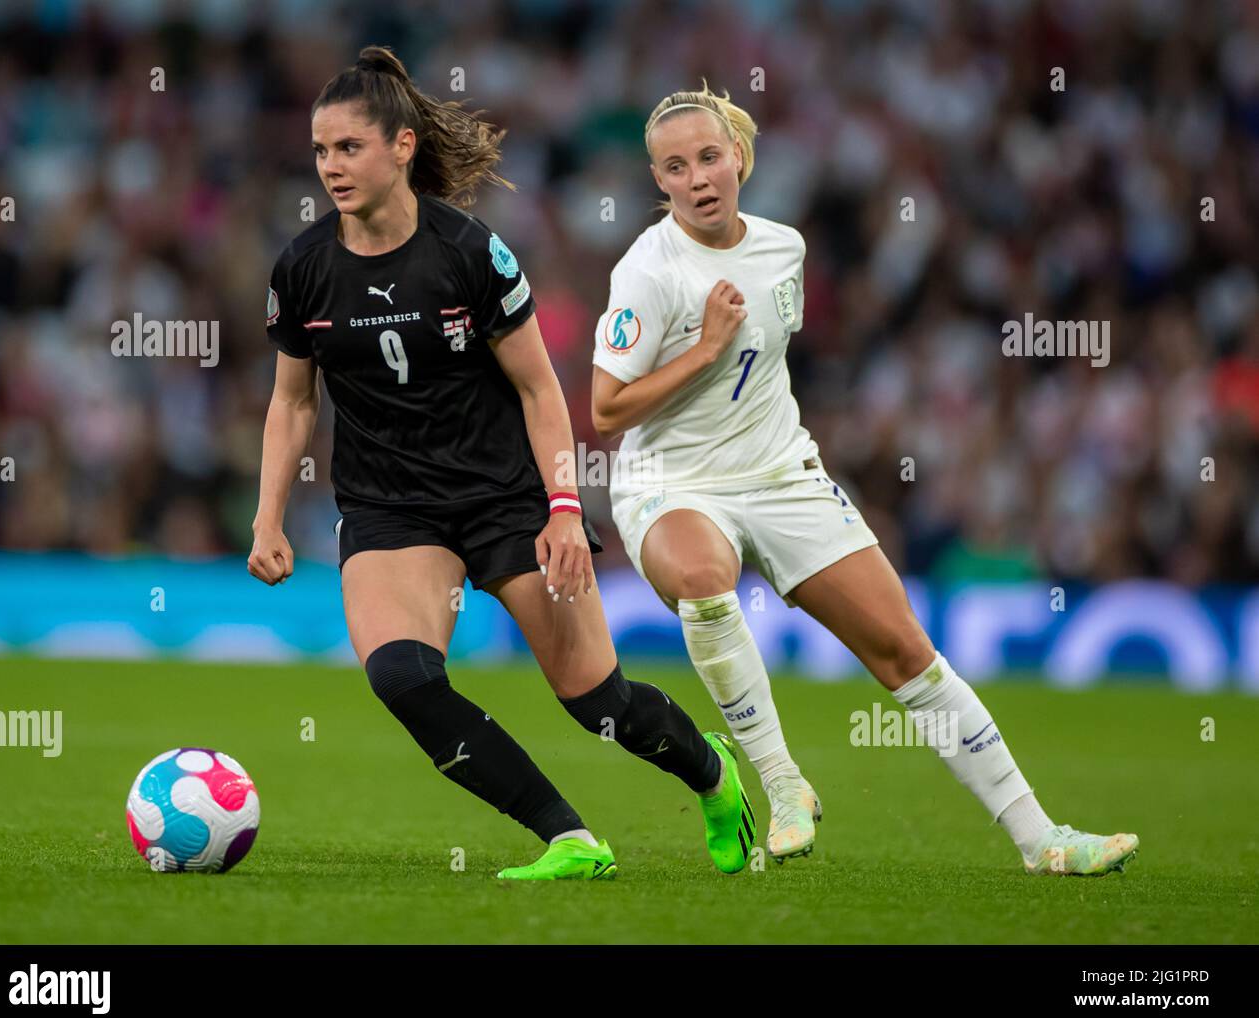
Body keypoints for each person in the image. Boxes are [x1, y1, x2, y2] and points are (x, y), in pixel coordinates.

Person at [590, 82, 1139, 875]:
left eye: (709, 157)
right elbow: (606, 409)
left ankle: (1042, 838)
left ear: (739, 156)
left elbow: (766, 367)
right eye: (675, 168)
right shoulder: (647, 271)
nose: (698, 178)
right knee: (706, 581)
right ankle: (782, 786)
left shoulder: (785, 250)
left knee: (905, 651)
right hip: (671, 482)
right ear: (659, 182)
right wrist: (703, 349)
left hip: (780, 472)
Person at [249, 48, 756, 881]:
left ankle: (711, 772)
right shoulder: (303, 269)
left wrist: (563, 507)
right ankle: (568, 837)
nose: (330, 167)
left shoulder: (469, 253)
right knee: (403, 677)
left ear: (402, 146)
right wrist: (269, 516)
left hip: (504, 498)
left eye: (349, 148)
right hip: (390, 510)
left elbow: (539, 389)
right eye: (319, 151)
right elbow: (294, 402)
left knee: (600, 705)